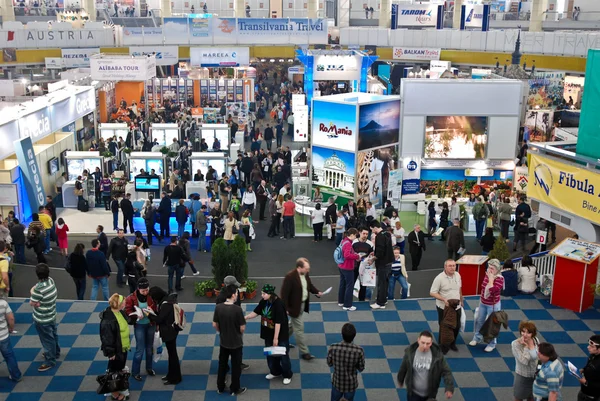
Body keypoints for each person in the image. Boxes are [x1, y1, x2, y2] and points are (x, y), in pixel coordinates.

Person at [245, 283, 292, 384]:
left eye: (264, 293)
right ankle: (275, 372)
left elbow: (278, 323)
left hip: (280, 335)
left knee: (283, 356)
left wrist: (276, 338)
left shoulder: (279, 304)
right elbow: (256, 312)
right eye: (262, 293)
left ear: (270, 294)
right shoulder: (264, 301)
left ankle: (287, 375)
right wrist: (246, 317)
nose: (262, 295)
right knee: (270, 355)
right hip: (268, 334)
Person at [280, 258, 323, 361]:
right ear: (299, 268)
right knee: (299, 329)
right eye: (306, 268)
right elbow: (284, 294)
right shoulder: (290, 277)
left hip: (302, 305)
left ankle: (282, 339)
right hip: (293, 308)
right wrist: (285, 308)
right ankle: (305, 352)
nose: (308, 270)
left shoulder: (305, 274)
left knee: (291, 325)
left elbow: (309, 285)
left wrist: (317, 292)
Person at [397, 330, 455, 401]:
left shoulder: (437, 355)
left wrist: (449, 388)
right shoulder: (410, 353)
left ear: (431, 342)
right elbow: (404, 367)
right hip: (413, 394)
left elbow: (446, 371)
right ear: (418, 340)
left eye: (428, 343)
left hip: (430, 395)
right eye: (423, 343)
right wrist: (400, 379)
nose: (425, 346)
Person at [213, 284, 247, 396]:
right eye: (236, 293)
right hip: (236, 342)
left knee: (222, 364)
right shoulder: (237, 310)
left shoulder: (218, 307)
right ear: (233, 295)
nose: (237, 295)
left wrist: (222, 331)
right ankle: (235, 388)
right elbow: (242, 327)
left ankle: (220, 387)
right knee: (236, 366)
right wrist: (237, 333)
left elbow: (215, 324)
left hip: (224, 341)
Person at [100, 293, 133, 401]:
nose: (125, 303)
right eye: (123, 301)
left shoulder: (120, 312)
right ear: (118, 304)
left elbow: (128, 320)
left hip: (123, 347)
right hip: (116, 349)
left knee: (118, 369)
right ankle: (114, 392)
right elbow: (107, 338)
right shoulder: (108, 320)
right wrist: (111, 353)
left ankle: (117, 387)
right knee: (114, 370)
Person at [124, 277, 157, 382]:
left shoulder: (151, 295)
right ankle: (135, 372)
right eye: (143, 291)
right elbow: (127, 311)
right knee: (140, 349)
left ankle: (149, 368)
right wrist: (135, 314)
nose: (145, 292)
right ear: (138, 289)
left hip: (150, 324)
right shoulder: (131, 298)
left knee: (149, 348)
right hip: (139, 325)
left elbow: (156, 307)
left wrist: (152, 310)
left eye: (147, 290)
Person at [469, 258, 504, 352]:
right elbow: (483, 288)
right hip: (483, 303)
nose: (490, 270)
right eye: (489, 267)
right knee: (479, 320)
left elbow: (493, 291)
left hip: (493, 305)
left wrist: (491, 280)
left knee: (492, 324)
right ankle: (477, 338)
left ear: (497, 269)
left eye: (492, 268)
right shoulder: (487, 275)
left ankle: (492, 343)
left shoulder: (500, 279)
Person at [148, 287, 182, 385]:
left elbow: (159, 319)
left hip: (169, 332)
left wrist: (149, 314)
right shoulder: (168, 300)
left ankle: (175, 378)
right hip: (172, 330)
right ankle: (171, 375)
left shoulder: (166, 305)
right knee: (172, 354)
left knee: (172, 355)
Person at [430, 259, 463, 354]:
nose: (453, 268)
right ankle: (442, 346)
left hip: (457, 306)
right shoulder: (439, 278)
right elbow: (432, 292)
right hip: (444, 308)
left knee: (457, 326)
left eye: (454, 265)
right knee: (444, 326)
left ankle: (452, 343)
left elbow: (459, 288)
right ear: (445, 267)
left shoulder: (458, 275)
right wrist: (444, 300)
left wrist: (461, 299)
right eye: (450, 266)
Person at [30, 263, 59, 372]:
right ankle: (55, 352)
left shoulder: (38, 289)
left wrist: (33, 295)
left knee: (47, 339)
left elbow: (32, 302)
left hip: (42, 319)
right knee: (53, 335)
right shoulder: (51, 281)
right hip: (51, 314)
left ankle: (50, 360)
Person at [327, 323, 365, 401]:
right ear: (354, 336)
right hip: (351, 385)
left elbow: (329, 363)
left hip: (337, 382)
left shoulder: (333, 347)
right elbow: (361, 368)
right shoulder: (359, 350)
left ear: (342, 334)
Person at [511, 321, 539, 401]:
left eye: (528, 332)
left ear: (533, 334)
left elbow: (538, 357)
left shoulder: (535, 340)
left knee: (532, 397)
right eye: (523, 331)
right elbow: (524, 361)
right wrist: (526, 347)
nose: (525, 334)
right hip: (522, 376)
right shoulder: (515, 344)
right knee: (518, 397)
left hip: (535, 375)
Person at [370, 221, 394, 309]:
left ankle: (380, 303)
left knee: (381, 283)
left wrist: (372, 259)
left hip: (382, 263)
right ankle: (384, 299)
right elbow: (385, 248)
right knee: (386, 282)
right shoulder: (387, 233)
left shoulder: (379, 236)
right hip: (389, 262)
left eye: (372, 229)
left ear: (375, 227)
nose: (372, 231)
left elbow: (380, 252)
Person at [337, 228, 360, 311]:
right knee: (349, 286)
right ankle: (347, 305)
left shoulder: (343, 241)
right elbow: (347, 255)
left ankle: (341, 301)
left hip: (341, 266)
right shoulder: (348, 244)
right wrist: (357, 256)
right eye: (356, 236)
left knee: (342, 284)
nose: (356, 237)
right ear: (352, 235)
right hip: (347, 267)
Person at [0, 296, 21, 382]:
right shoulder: (3, 303)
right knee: (9, 356)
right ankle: (16, 376)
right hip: (3, 336)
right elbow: (11, 318)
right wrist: (11, 328)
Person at [353, 227, 374, 302]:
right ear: (360, 233)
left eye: (367, 234)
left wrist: (371, 260)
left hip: (365, 267)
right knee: (351, 283)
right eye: (364, 233)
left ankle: (361, 301)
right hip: (354, 266)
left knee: (363, 285)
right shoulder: (354, 242)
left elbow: (371, 255)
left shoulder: (370, 244)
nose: (365, 235)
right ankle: (348, 300)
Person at [578, 335, 600, 401]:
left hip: (593, 398)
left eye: (592, 346)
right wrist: (584, 369)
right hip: (583, 393)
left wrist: (586, 382)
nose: (588, 347)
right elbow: (590, 365)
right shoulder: (593, 355)